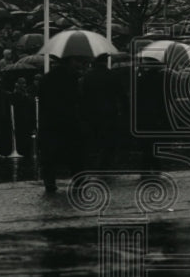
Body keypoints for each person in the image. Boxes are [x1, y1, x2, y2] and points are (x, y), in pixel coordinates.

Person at [37, 56, 86, 192]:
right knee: (75, 154)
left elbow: (42, 100)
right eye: (76, 60)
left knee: (50, 155)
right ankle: (79, 180)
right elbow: (78, 99)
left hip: (50, 121)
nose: (78, 63)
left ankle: (50, 182)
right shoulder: (73, 78)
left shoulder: (46, 78)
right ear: (69, 61)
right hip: (69, 121)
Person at [81, 54, 126, 169]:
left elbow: (83, 96)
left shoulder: (87, 76)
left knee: (94, 140)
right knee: (109, 140)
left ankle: (94, 162)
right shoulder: (113, 75)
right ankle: (106, 163)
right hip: (109, 112)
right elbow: (121, 95)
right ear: (106, 62)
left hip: (91, 113)